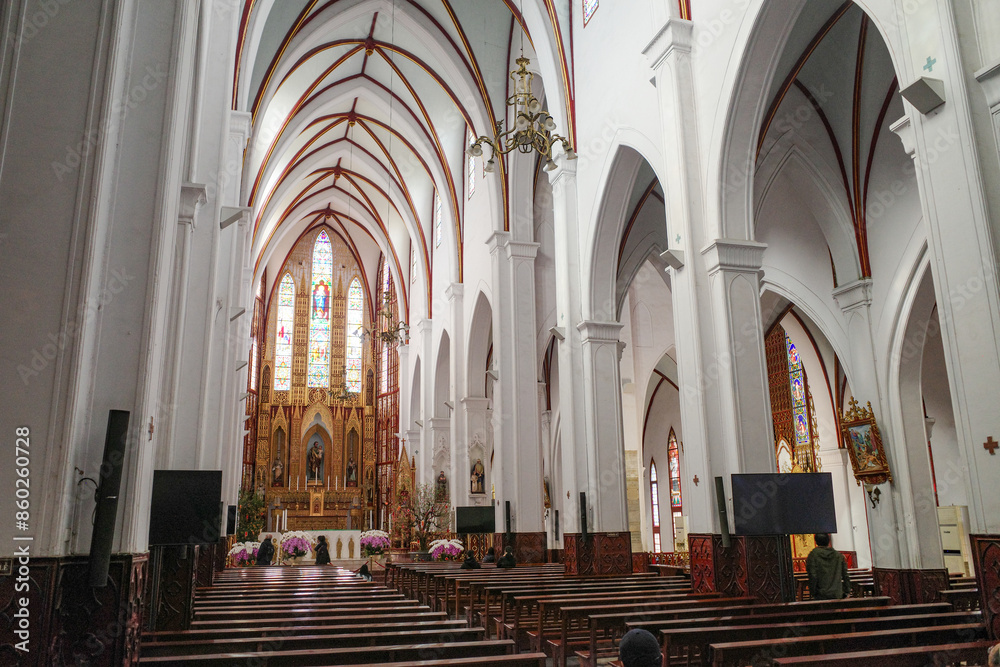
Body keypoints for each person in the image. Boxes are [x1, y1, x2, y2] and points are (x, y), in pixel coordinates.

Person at [805, 533, 851, 599]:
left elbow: (813, 575)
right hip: (837, 593)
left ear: (816, 541)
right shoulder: (838, 555)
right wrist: (847, 591)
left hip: (821, 594)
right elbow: (845, 574)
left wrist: (813, 592)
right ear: (828, 540)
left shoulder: (813, 555)